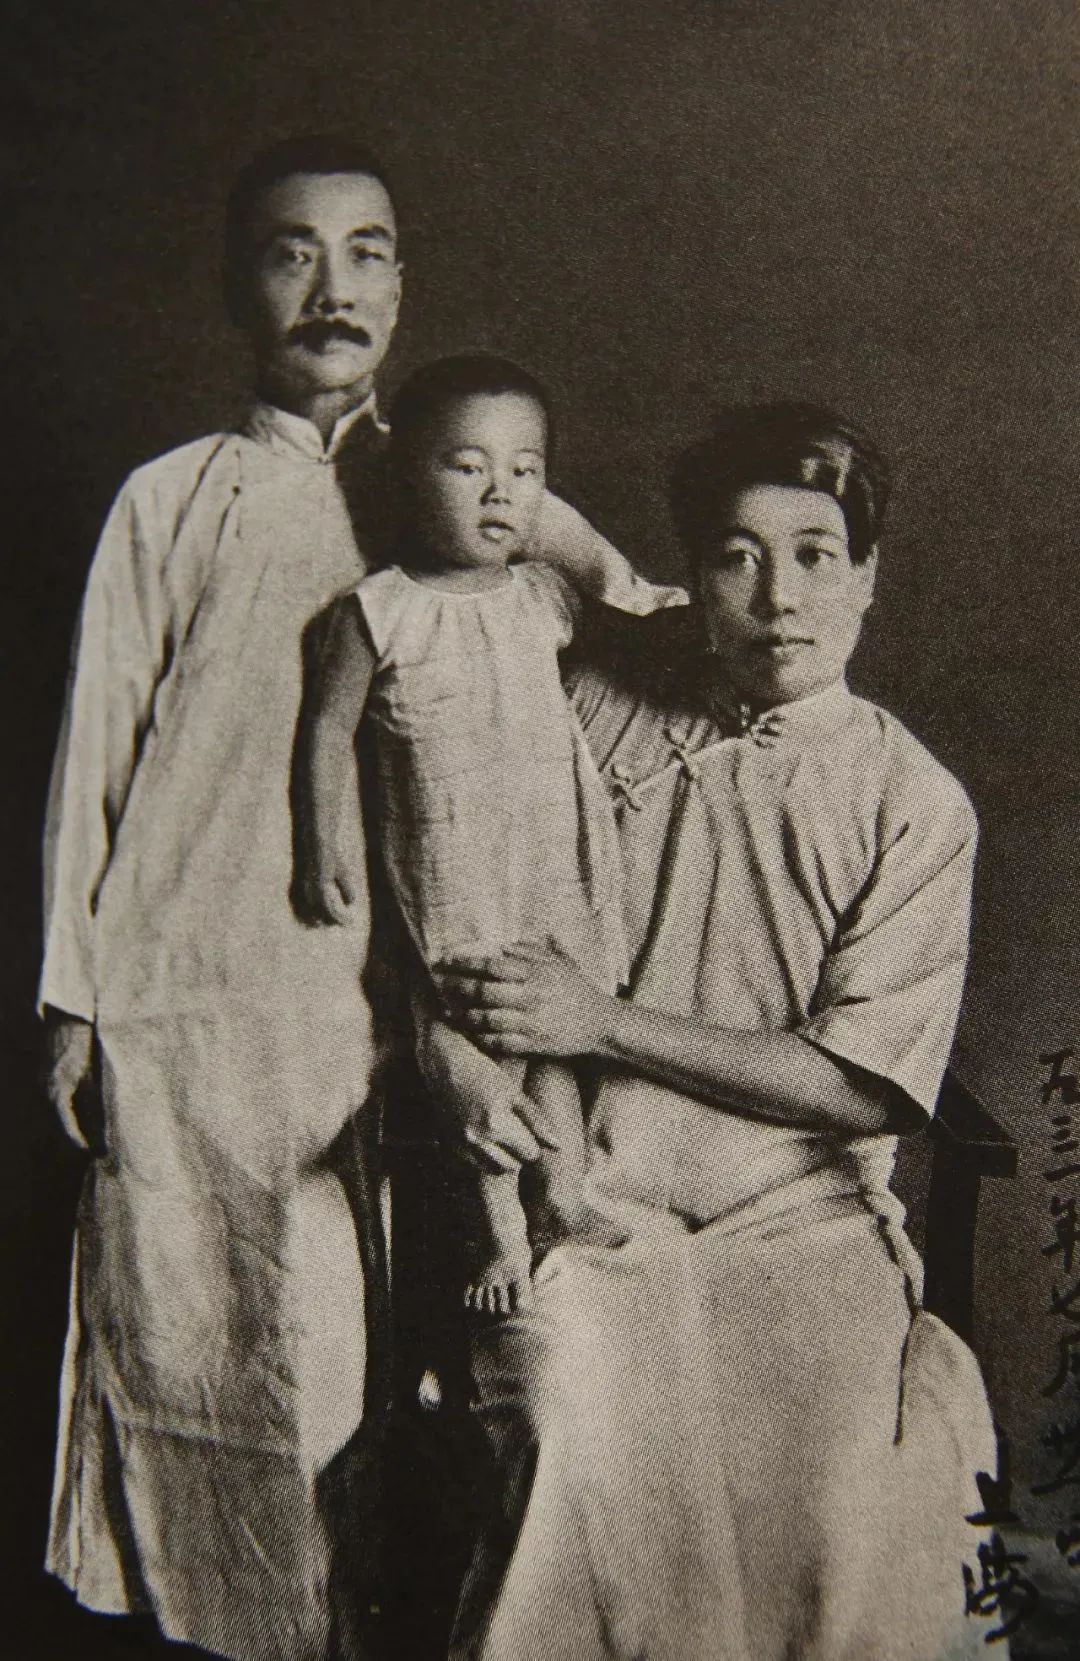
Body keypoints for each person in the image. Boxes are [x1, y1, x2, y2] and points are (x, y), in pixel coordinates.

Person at [38, 136, 679, 1661]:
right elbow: (94, 751)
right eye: (291, 251)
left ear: (403, 283)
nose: (333, 286)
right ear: (234, 287)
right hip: (190, 983)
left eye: (368, 250)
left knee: (354, 1361)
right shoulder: (171, 500)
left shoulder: (450, 483)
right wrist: (71, 1004)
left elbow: (606, 614)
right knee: (191, 1333)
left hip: (371, 1002)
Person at [437, 404, 1003, 1661]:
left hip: (801, 1222)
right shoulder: (610, 698)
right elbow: (524, 551)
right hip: (589, 1202)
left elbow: (861, 1086)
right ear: (693, 578)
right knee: (571, 1444)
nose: (778, 597)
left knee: (834, 1496)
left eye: (815, 554)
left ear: (867, 575)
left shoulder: (912, 800)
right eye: (737, 557)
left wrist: (601, 1021)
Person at [298, 355, 672, 1318]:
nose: (501, 492)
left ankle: (565, 1192)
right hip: (452, 865)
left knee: (556, 1033)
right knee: (479, 1037)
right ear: (406, 478)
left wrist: (574, 543)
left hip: (548, 857)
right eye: (467, 467)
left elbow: (603, 584)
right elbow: (327, 731)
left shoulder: (541, 595)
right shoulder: (379, 610)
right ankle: (501, 1231)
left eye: (525, 469)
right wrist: (321, 845)